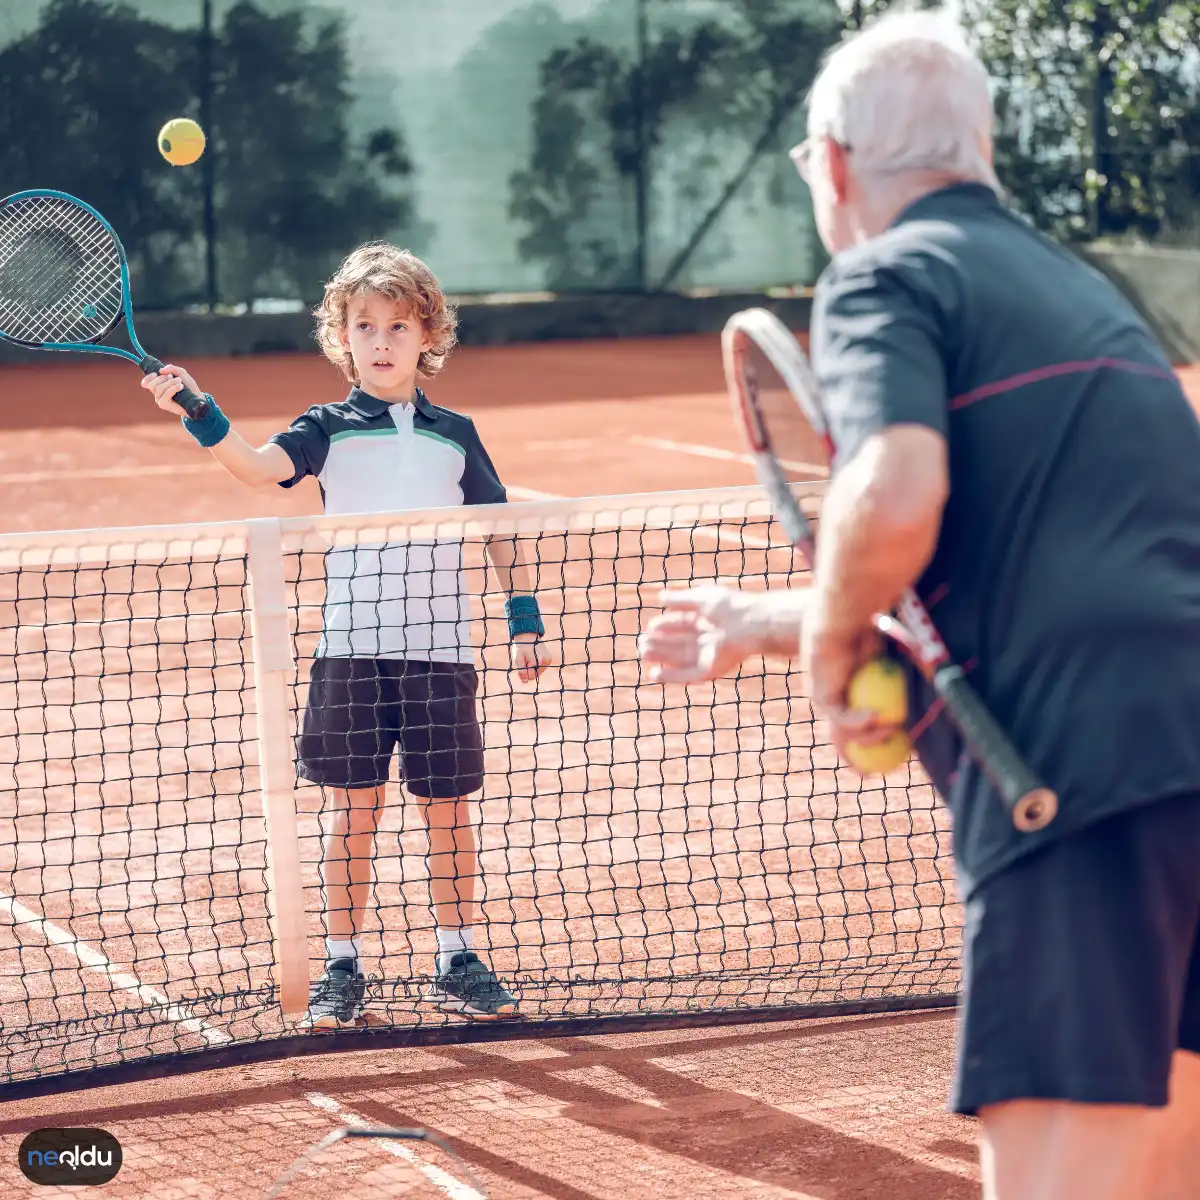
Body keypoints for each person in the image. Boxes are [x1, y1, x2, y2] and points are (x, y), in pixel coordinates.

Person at [638, 10, 1200, 1199]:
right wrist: (760, 620)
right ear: (981, 152)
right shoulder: (1095, 304)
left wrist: (833, 651)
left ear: (834, 164)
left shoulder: (883, 275)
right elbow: (1029, 572)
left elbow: (896, 497)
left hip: (1070, 790)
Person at [144, 242, 550, 1028]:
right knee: (353, 811)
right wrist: (200, 409)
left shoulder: (456, 434)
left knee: (448, 812)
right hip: (352, 654)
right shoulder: (326, 427)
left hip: (442, 653)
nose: (383, 340)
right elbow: (259, 469)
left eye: (399, 325)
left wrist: (523, 618)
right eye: (366, 325)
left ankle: (457, 955)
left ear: (427, 335)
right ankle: (341, 966)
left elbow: (500, 529)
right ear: (343, 337)